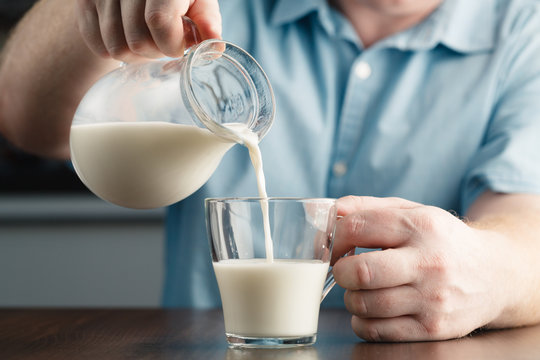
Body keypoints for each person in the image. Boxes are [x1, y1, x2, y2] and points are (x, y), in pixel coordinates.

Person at [1, 0, 540, 342]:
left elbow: (526, 221)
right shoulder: (211, 11)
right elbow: (23, 116)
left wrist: (488, 268)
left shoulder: (524, 28)